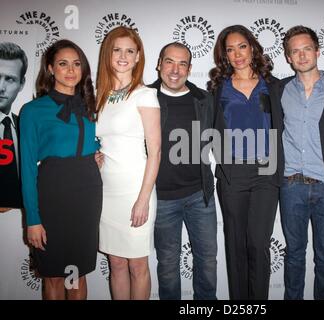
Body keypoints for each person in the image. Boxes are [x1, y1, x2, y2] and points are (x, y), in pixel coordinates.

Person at [20, 39, 102, 300]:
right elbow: (27, 168)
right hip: (52, 196)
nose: (70, 70)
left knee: (76, 274)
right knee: (54, 275)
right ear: (50, 68)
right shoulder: (33, 111)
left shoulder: (92, 105)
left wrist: (97, 151)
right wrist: (32, 219)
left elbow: (104, 139)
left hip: (87, 196)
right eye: (63, 64)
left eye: (76, 64)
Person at [208, 24, 284, 300]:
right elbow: (206, 128)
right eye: (230, 49)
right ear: (224, 55)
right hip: (233, 173)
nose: (237, 54)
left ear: (252, 47)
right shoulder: (218, 88)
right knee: (236, 245)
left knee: (259, 244)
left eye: (242, 46)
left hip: (266, 171)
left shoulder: (274, 85)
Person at [279, 25, 324, 300]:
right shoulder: (280, 90)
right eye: (295, 51)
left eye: (306, 48)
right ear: (288, 57)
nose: (302, 55)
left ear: (318, 51)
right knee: (294, 256)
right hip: (291, 185)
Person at [148, 42, 217, 300]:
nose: (175, 70)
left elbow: (218, 139)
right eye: (169, 62)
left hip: (200, 195)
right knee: (167, 266)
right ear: (159, 64)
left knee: (208, 262)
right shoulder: (144, 97)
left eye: (182, 63)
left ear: (189, 68)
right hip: (162, 198)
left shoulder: (204, 99)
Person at [96, 26, 161, 300]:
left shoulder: (145, 95)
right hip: (106, 191)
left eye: (130, 51)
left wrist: (143, 199)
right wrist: (95, 157)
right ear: (108, 55)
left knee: (137, 264)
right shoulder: (101, 95)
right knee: (117, 263)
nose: (123, 56)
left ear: (138, 58)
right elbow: (103, 141)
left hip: (136, 189)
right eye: (117, 49)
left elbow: (155, 152)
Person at [0, 42, 27, 210]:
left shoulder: (23, 126)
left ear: (22, 84)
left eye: (9, 79)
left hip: (19, 217)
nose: (1, 87)